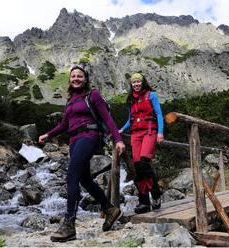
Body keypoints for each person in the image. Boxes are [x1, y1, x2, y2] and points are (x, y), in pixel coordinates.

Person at [39, 64, 125, 242]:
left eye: (80, 76)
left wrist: (118, 139)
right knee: (84, 179)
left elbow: (108, 118)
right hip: (73, 141)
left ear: (85, 79)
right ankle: (109, 209)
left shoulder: (92, 95)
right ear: (70, 80)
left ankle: (69, 225)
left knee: (72, 176)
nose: (76, 78)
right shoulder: (70, 101)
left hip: (88, 137)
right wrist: (48, 134)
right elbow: (64, 125)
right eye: (73, 76)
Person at [119, 72, 164, 214]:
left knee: (144, 161)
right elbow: (131, 119)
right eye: (134, 83)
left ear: (142, 82)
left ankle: (156, 195)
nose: (136, 84)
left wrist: (160, 132)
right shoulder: (131, 99)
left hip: (150, 131)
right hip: (135, 134)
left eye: (138, 82)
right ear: (131, 84)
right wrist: (121, 129)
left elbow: (159, 114)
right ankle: (144, 201)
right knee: (137, 166)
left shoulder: (152, 95)